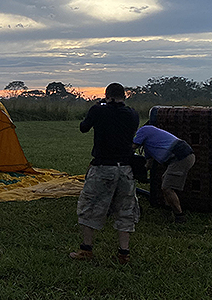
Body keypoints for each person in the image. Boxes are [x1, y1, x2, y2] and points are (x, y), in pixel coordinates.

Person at [70, 83, 140, 264]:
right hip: (125, 168)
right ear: (124, 96)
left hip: (103, 167)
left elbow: (83, 127)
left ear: (107, 95)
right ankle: (124, 253)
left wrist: (99, 106)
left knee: (89, 206)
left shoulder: (98, 110)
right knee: (125, 210)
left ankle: (86, 249)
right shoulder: (133, 114)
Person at [133, 124, 195, 223]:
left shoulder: (143, 130)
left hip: (180, 156)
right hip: (180, 156)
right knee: (165, 181)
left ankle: (179, 216)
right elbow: (148, 163)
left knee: (167, 187)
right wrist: (141, 173)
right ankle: (168, 210)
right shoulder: (148, 146)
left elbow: (133, 146)